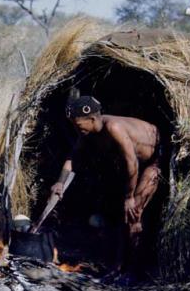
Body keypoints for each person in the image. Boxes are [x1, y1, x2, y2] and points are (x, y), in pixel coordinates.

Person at [51, 95, 161, 281]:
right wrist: (60, 182)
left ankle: (132, 271)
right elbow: (73, 156)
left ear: (92, 119)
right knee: (121, 217)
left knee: (134, 214)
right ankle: (118, 266)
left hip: (153, 160)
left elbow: (131, 161)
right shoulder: (87, 132)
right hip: (131, 165)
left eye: (78, 125)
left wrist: (129, 197)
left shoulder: (113, 128)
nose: (77, 130)